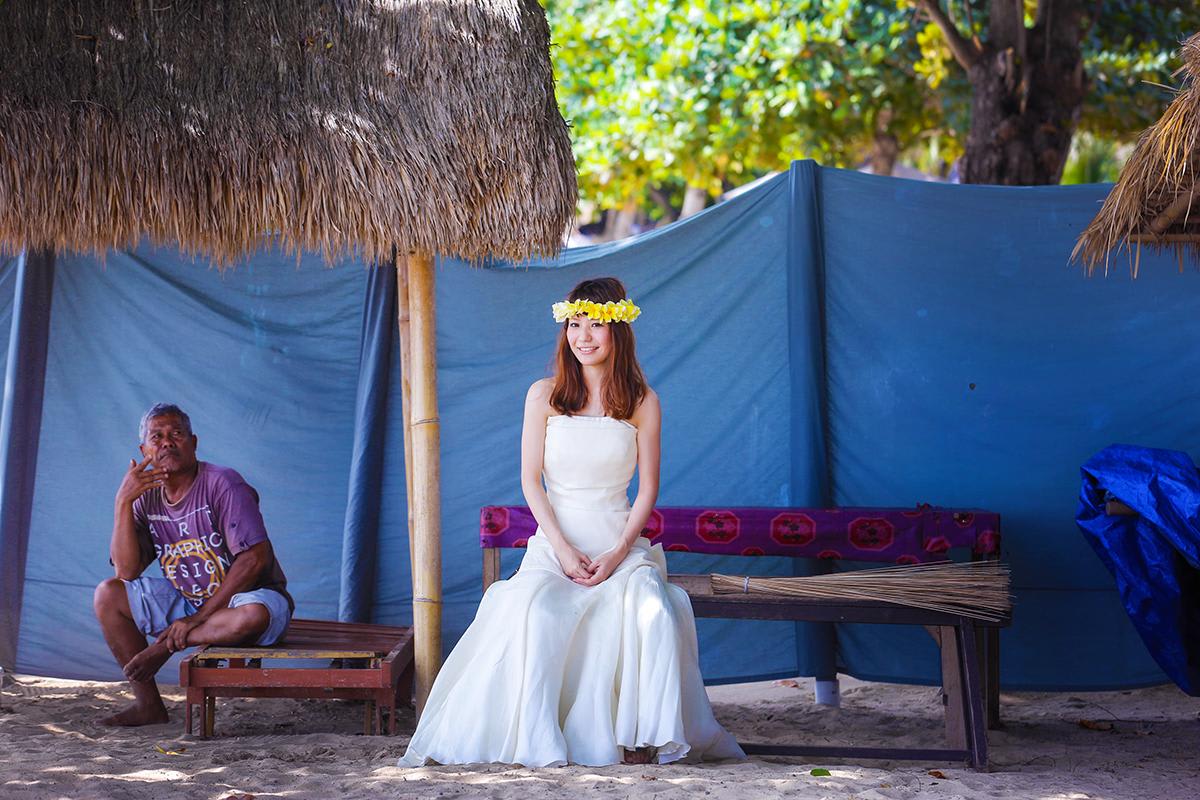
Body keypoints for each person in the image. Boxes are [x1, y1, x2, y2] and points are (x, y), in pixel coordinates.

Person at [401, 277, 744, 767]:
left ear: (617, 331)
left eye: (595, 325)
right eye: (574, 324)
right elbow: (530, 480)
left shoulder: (643, 401)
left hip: (619, 545)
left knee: (651, 609)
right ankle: (543, 735)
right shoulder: (543, 395)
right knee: (536, 610)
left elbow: (648, 489)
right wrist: (562, 549)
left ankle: (639, 738)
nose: (583, 336)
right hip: (555, 545)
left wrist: (619, 552)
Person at [93, 403, 293, 726]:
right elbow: (126, 572)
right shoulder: (146, 497)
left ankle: (167, 646)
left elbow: (254, 559)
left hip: (250, 597)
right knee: (108, 595)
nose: (167, 442)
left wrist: (186, 628)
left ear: (194, 443)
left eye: (177, 434)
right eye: (157, 437)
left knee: (251, 616)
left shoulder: (223, 483)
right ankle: (148, 706)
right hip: (190, 602)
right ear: (144, 451)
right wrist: (123, 501)